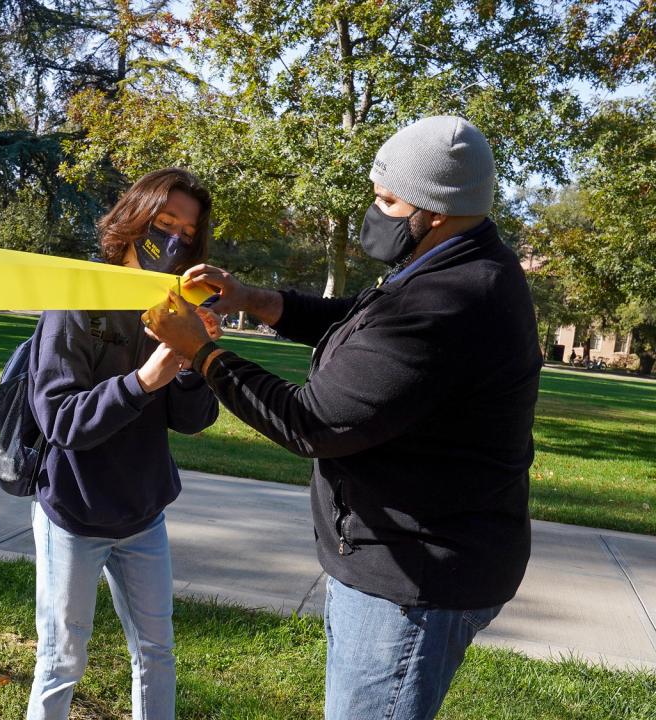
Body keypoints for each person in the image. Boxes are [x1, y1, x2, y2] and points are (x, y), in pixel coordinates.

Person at [144, 117, 541, 720]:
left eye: (387, 200)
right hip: (399, 560)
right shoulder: (454, 266)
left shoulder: (450, 298)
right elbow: (359, 318)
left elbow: (312, 422)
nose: (373, 212)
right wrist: (254, 299)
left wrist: (200, 351)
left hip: (412, 578)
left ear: (434, 210)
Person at [25, 168, 221, 720]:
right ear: (134, 220)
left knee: (157, 654)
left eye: (187, 231)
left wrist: (195, 359)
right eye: (165, 222)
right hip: (74, 514)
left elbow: (193, 419)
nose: (175, 238)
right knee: (61, 660)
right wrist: (143, 381)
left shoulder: (174, 303)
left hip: (143, 515)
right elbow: (61, 420)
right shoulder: (79, 297)